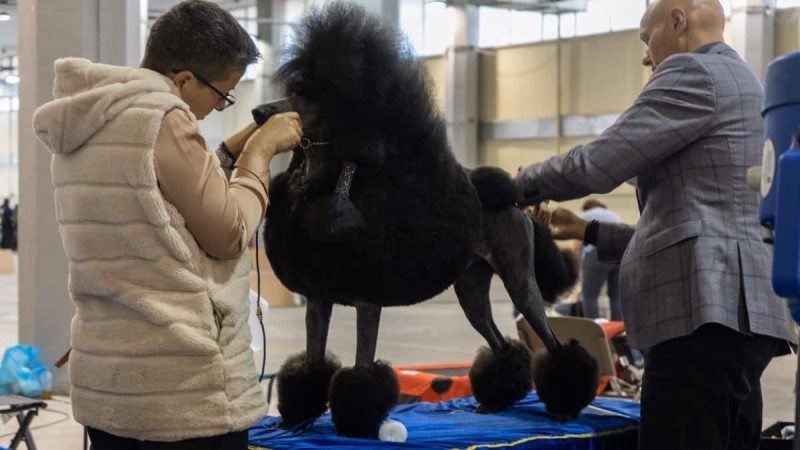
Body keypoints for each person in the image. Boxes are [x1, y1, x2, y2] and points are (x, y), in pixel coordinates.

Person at [516, 1, 792, 449]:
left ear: (678, 21)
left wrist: (512, 185)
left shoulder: (694, 73)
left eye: (647, 38)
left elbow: (598, 163)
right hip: (738, 319)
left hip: (699, 318)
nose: (646, 56)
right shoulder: (746, 86)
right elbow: (695, 225)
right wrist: (587, 230)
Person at [32, 1, 303, 449]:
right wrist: (262, 154)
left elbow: (160, 207)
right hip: (181, 392)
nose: (219, 108)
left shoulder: (95, 117)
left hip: (112, 381)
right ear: (182, 79)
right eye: (222, 93)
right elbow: (229, 233)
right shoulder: (165, 117)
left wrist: (229, 153)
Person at [578, 199, 622, 321]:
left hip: (596, 252)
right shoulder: (615, 215)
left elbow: (577, 245)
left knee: (590, 295)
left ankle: (593, 328)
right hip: (619, 253)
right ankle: (619, 330)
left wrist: (578, 269)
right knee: (616, 296)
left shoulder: (585, 215)